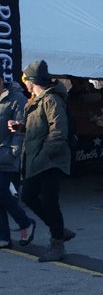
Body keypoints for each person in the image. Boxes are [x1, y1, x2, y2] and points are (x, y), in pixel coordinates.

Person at [15, 60, 75, 262]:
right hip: (39, 158)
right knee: (30, 196)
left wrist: (42, 156)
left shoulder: (51, 100)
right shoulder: (35, 100)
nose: (23, 82)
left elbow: (58, 133)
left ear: (32, 80)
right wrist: (22, 127)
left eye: (25, 79)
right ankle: (59, 229)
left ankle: (57, 245)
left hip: (51, 159)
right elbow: (38, 129)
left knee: (49, 200)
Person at [0, 77, 36, 248]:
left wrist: (13, 152)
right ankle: (4, 237)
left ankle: (25, 222)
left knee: (2, 193)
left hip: (8, 156)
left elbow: (21, 129)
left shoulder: (16, 99)